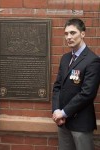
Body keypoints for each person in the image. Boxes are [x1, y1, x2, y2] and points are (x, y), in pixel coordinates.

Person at [52, 18, 100, 150]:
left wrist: (64, 112)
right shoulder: (65, 58)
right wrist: (56, 110)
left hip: (81, 124)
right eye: (66, 33)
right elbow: (57, 87)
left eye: (73, 33)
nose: (68, 37)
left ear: (83, 34)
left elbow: (87, 93)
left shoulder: (92, 60)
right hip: (63, 122)